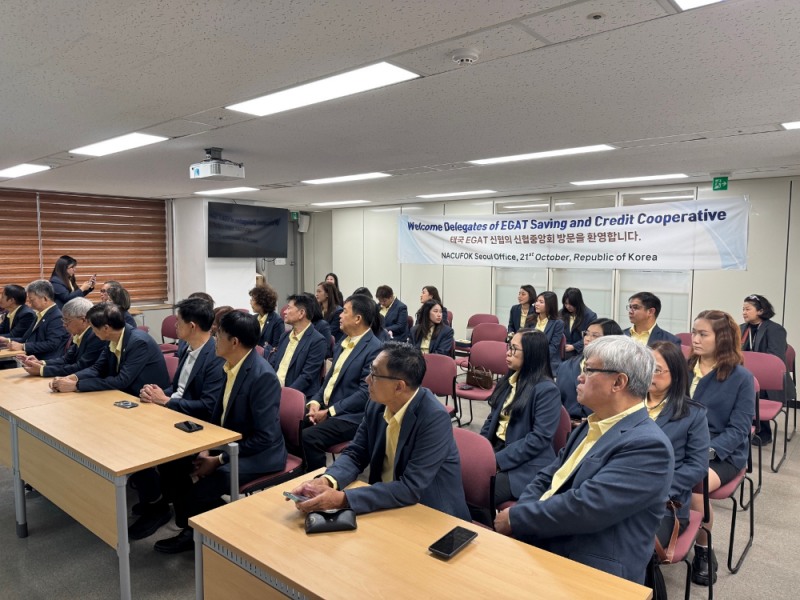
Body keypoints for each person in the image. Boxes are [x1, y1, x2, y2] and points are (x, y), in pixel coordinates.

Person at [494, 336, 674, 585]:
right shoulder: (590, 425)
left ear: (618, 382)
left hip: (589, 564)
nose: (579, 377)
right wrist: (521, 514)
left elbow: (585, 507)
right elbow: (549, 476)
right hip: (547, 535)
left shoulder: (649, 446)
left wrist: (517, 519)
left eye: (588, 370)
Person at [147, 311, 287, 553]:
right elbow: (217, 414)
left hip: (260, 453)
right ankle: (196, 525)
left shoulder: (262, 377)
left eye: (218, 335)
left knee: (208, 484)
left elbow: (264, 438)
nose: (214, 339)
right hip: (228, 443)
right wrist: (207, 449)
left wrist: (218, 458)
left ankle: (204, 534)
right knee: (174, 464)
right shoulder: (229, 365)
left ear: (234, 342)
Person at [290, 342, 470, 520]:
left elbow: (410, 488)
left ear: (399, 386)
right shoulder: (376, 404)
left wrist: (343, 499)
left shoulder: (433, 418)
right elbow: (356, 453)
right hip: (385, 502)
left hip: (430, 512)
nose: (367, 380)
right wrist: (327, 480)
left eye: (374, 374)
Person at [688, 310, 754, 586]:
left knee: (693, 484)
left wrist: (705, 452)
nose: (695, 339)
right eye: (693, 332)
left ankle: (703, 549)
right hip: (681, 443)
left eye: (703, 334)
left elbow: (739, 431)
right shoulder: (681, 366)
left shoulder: (741, 378)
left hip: (722, 452)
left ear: (723, 338)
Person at [480, 329, 561, 507]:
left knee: (479, 492)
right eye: (509, 347)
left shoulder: (547, 390)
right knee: (459, 477)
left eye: (514, 349)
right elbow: (490, 421)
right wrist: (480, 450)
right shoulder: (508, 381)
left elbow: (538, 439)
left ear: (531, 354)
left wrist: (498, 460)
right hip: (497, 449)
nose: (508, 353)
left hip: (526, 463)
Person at [302, 294, 383, 470]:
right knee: (292, 423)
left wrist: (329, 412)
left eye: (345, 311)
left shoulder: (374, 348)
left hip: (353, 416)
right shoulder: (343, 342)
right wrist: (316, 402)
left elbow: (365, 393)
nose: (339, 315)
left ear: (358, 319)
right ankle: (299, 473)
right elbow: (328, 379)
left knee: (310, 436)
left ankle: (317, 480)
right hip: (330, 406)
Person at [646, 341, 709, 551]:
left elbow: (697, 466)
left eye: (655, 369)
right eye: (643, 366)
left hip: (665, 504)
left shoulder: (693, 415)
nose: (648, 374)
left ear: (675, 374)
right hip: (620, 493)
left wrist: (654, 489)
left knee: (632, 543)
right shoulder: (627, 403)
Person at [50, 302, 169, 396]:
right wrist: (70, 378)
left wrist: (76, 385)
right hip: (122, 394)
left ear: (106, 328)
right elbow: (98, 368)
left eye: (93, 327)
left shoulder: (139, 343)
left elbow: (122, 380)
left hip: (143, 397)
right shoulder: (111, 338)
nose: (92, 331)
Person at [138, 297, 226, 420]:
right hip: (175, 411)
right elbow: (178, 388)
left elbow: (207, 406)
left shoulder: (216, 357)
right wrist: (154, 393)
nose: (175, 325)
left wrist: (166, 401)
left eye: (178, 321)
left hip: (193, 420)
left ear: (192, 326)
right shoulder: (185, 346)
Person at [740, 293, 787, 443]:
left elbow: (775, 360)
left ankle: (762, 433)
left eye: (748, 309)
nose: (744, 312)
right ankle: (740, 429)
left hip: (767, 381)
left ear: (760, 311)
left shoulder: (775, 329)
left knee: (755, 389)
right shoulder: (741, 329)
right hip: (746, 375)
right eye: (743, 309)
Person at [556, 318, 622, 422]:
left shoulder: (617, 371)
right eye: (586, 334)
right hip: (568, 428)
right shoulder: (565, 366)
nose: (587, 338)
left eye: (595, 335)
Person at [20, 297, 105, 377]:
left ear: (83, 320)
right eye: (63, 320)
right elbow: (66, 359)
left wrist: (43, 370)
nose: (64, 325)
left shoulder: (96, 337)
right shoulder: (80, 334)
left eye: (67, 320)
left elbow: (81, 367)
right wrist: (41, 363)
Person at [269, 294, 327, 397]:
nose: (284, 312)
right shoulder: (285, 336)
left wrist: (284, 395)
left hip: (297, 396)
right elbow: (274, 365)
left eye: (289, 308)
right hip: (274, 391)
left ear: (301, 313)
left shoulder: (317, 341)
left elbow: (306, 377)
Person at [0, 280, 69, 360]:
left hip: (45, 360)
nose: (29, 303)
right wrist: (7, 340)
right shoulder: (40, 314)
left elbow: (51, 344)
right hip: (31, 357)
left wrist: (23, 346)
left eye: (32, 300)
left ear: (45, 299)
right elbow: (25, 338)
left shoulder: (57, 317)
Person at [525, 291, 564, 373]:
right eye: (537, 301)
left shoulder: (558, 323)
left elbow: (553, 347)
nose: (536, 304)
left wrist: (537, 359)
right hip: (528, 358)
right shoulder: (530, 319)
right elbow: (524, 339)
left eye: (541, 302)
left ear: (550, 305)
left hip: (547, 361)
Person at [560, 287, 597, 358]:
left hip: (580, 353)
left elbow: (591, 336)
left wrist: (574, 346)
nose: (568, 306)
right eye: (566, 303)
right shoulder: (561, 313)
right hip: (562, 353)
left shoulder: (590, 316)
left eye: (571, 304)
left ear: (578, 303)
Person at [249, 284, 283, 353]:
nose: (250, 303)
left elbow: (276, 348)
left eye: (252, 300)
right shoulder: (253, 318)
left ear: (262, 301)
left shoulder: (277, 321)